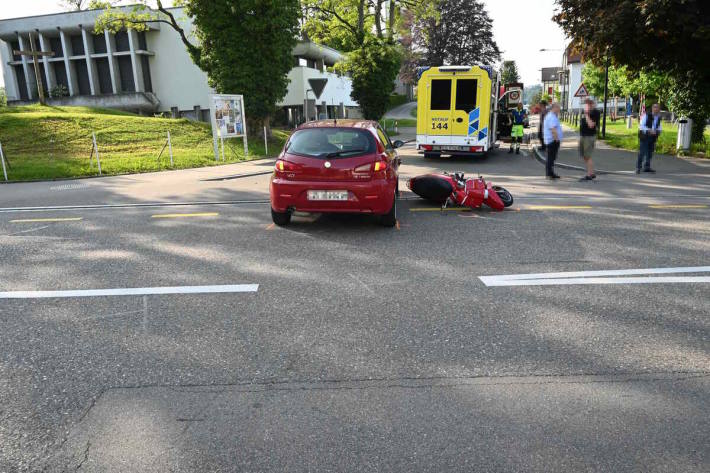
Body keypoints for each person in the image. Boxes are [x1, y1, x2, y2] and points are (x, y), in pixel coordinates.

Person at [578, 98, 599, 181]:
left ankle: (589, 174)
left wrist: (586, 115)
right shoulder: (586, 112)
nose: (587, 105)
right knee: (584, 155)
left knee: (587, 156)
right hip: (584, 136)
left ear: (592, 104)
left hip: (589, 137)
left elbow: (591, 125)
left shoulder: (595, 113)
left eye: (589, 104)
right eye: (586, 104)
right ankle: (591, 173)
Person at [637, 103, 661, 173]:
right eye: (655, 107)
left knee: (650, 153)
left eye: (657, 108)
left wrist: (658, 131)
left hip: (653, 137)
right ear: (652, 108)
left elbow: (659, 126)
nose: (656, 109)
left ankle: (647, 167)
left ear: (659, 109)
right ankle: (638, 167)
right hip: (645, 136)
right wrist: (649, 130)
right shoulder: (646, 116)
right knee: (642, 152)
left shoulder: (658, 117)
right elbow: (641, 126)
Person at [543, 103, 562, 179]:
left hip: (551, 140)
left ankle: (550, 173)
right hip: (552, 140)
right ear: (554, 108)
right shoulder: (551, 116)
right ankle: (549, 174)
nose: (559, 109)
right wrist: (556, 140)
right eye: (558, 107)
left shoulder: (552, 116)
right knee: (551, 158)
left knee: (551, 158)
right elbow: (553, 129)